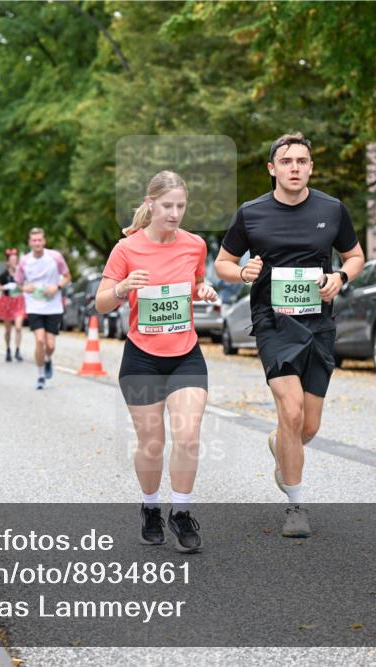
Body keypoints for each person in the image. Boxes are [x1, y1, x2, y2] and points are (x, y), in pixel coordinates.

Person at [215, 132, 365, 538]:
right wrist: (242, 271)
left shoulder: (332, 210)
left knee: (308, 426)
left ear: (310, 167)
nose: (294, 168)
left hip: (319, 323)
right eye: (287, 161)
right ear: (272, 169)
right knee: (292, 410)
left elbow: (355, 255)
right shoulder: (252, 213)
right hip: (273, 322)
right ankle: (296, 506)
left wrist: (341, 276)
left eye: (301, 161)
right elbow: (223, 264)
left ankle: (281, 444)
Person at [95, 171, 217, 554]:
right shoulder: (127, 249)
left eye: (181, 206)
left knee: (188, 436)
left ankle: (180, 513)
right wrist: (121, 288)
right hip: (142, 358)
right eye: (168, 206)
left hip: (186, 355)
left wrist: (204, 290)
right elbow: (101, 302)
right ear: (150, 204)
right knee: (152, 444)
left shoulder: (195, 245)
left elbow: (194, 283)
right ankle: (150, 507)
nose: (175, 213)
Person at [15, 228, 71, 390]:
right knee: (40, 340)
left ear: (44, 241)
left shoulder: (55, 257)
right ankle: (40, 376)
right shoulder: (24, 261)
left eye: (40, 240)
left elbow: (67, 276)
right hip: (34, 306)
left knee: (51, 345)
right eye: (34, 240)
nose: (37, 243)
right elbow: (18, 284)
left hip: (53, 306)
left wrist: (57, 287)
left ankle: (47, 359)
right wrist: (26, 287)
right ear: (30, 242)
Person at [0, 248, 26, 362]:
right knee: (8, 330)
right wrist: (4, 287)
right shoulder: (4, 275)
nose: (14, 262)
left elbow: (26, 285)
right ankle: (8, 349)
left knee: (19, 327)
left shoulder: (21, 274)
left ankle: (17, 350)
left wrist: (19, 287)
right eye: (12, 260)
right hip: (7, 303)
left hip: (18, 302)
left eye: (16, 260)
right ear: (8, 262)